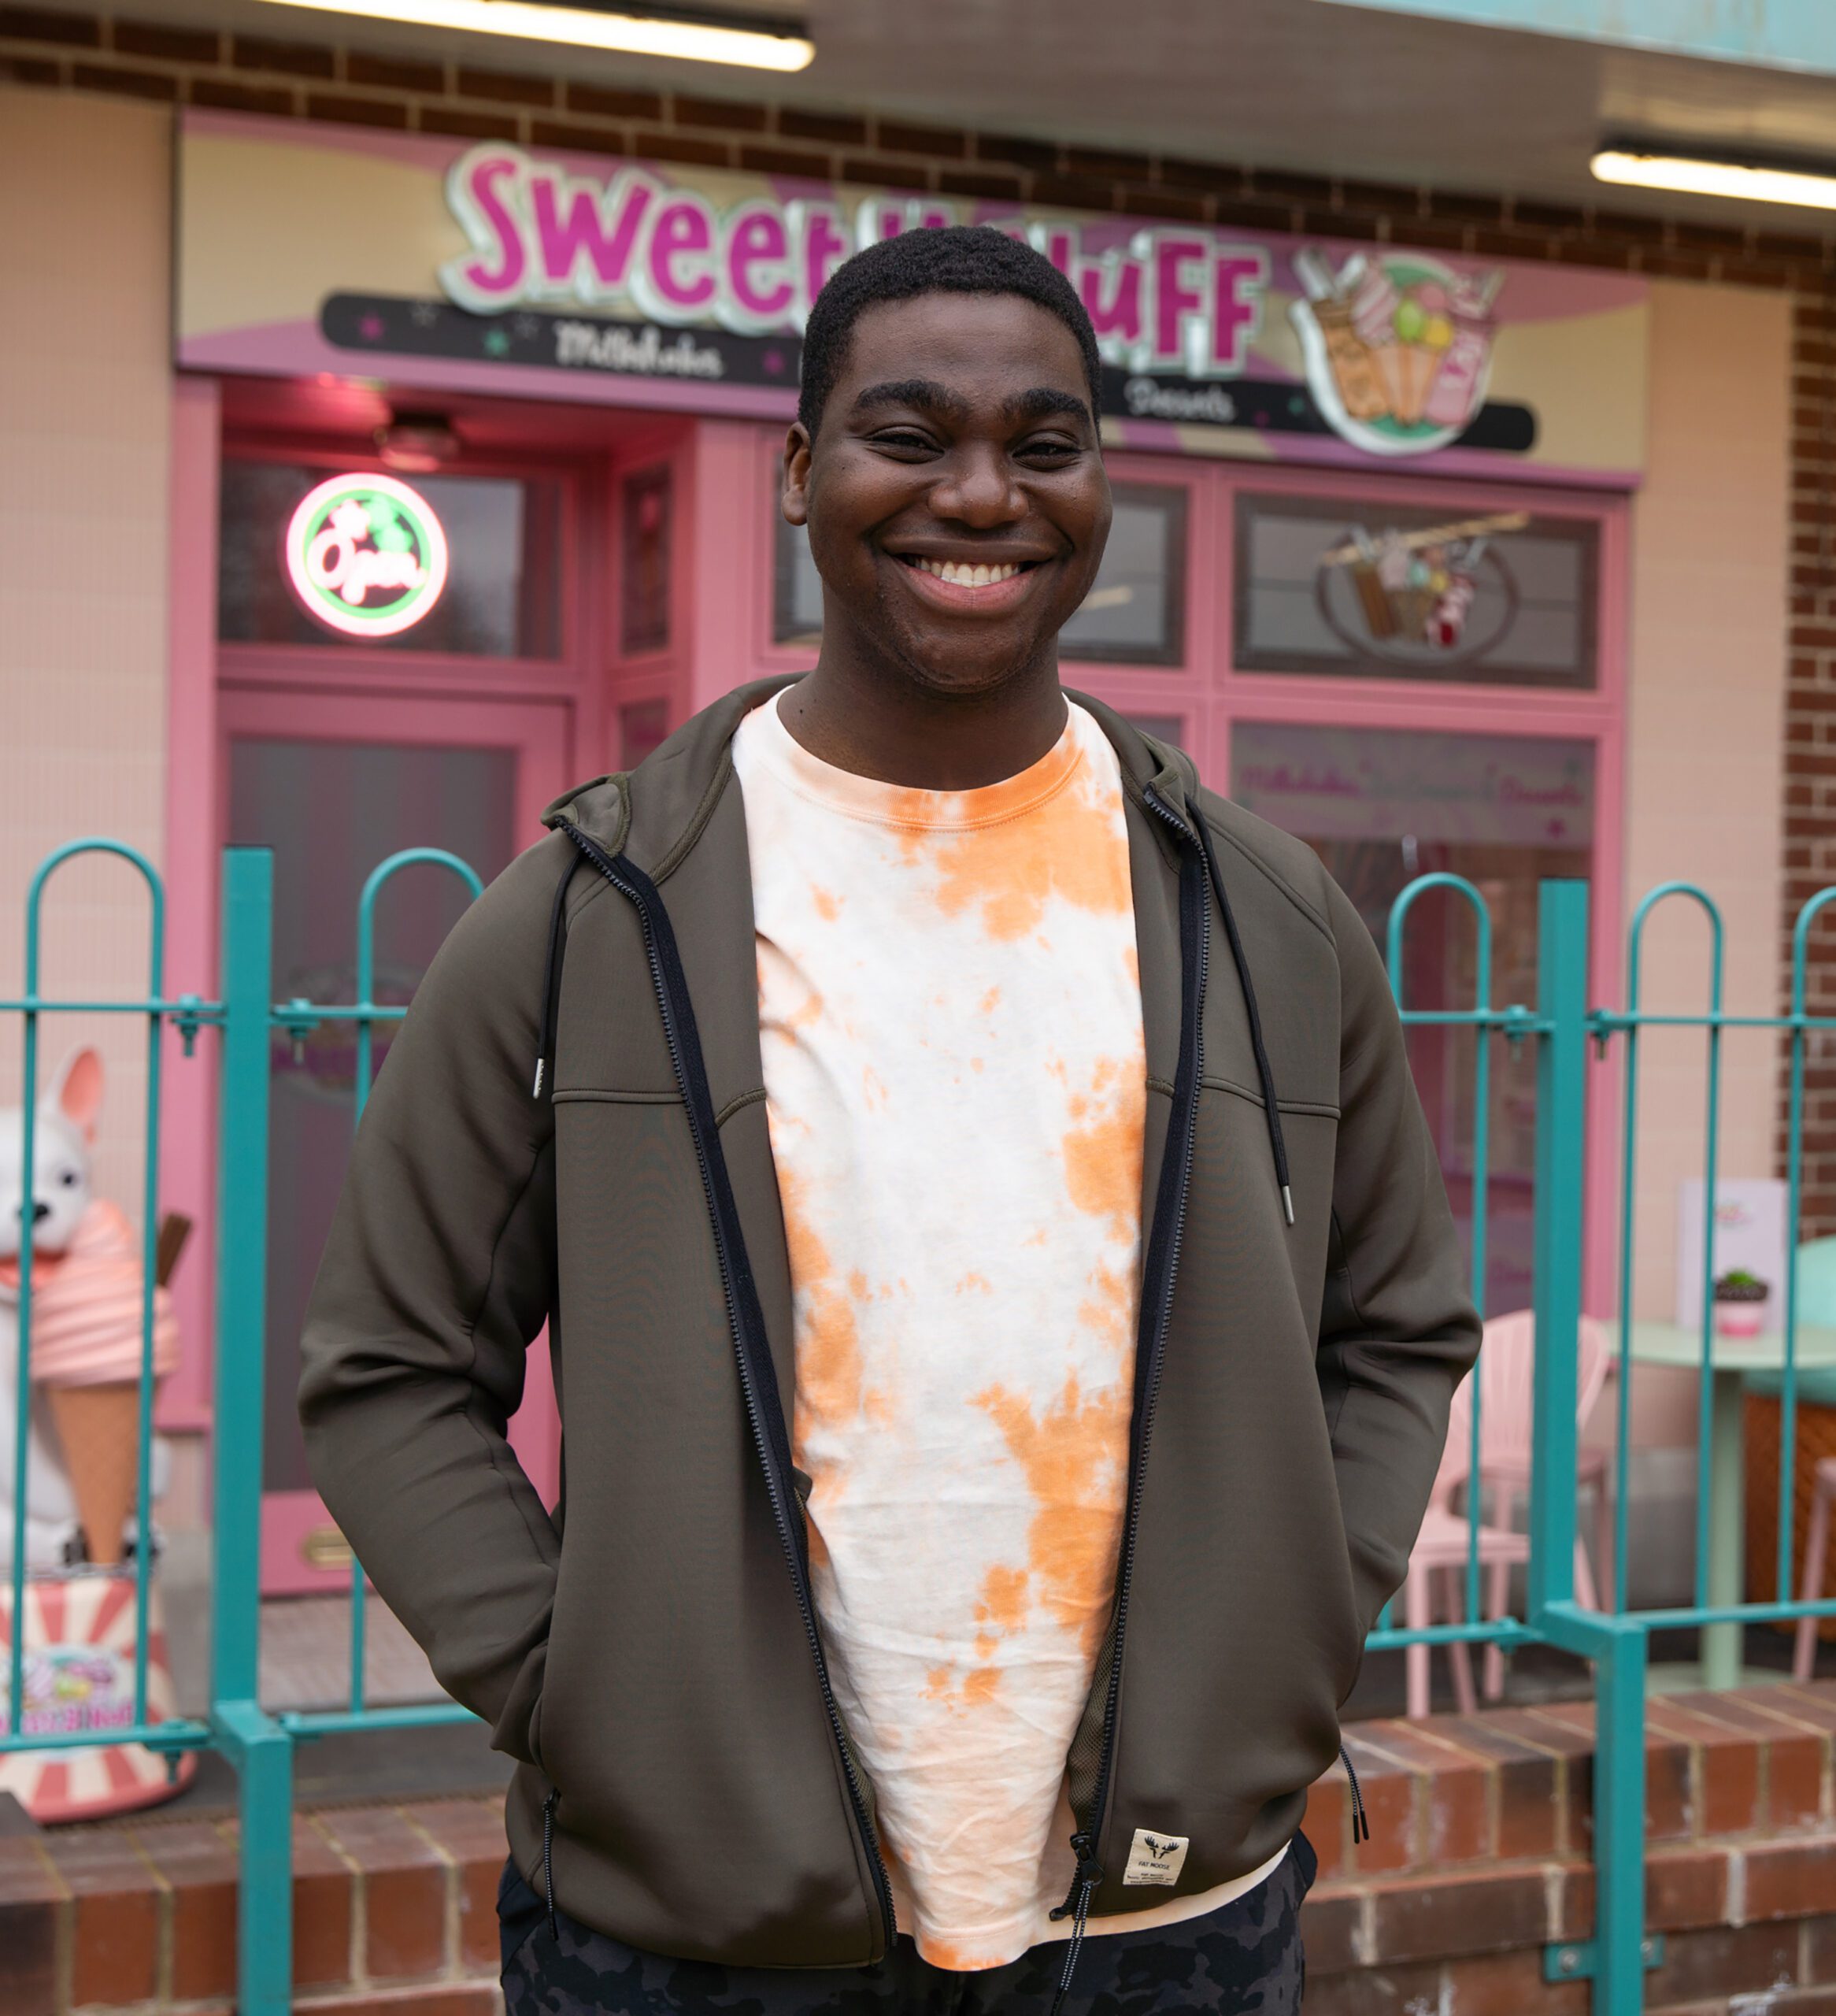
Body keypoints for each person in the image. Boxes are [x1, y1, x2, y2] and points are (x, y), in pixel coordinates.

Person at [299, 226, 1479, 2016]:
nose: (980, 492)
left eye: (1044, 440)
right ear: (798, 471)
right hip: (698, 1935)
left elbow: (1394, 1322)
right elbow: (388, 1363)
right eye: (908, 433)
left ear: (1102, 481)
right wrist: (587, 1700)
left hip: (1162, 1926)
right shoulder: (593, 909)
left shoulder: (1261, 911)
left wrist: (1285, 1634)